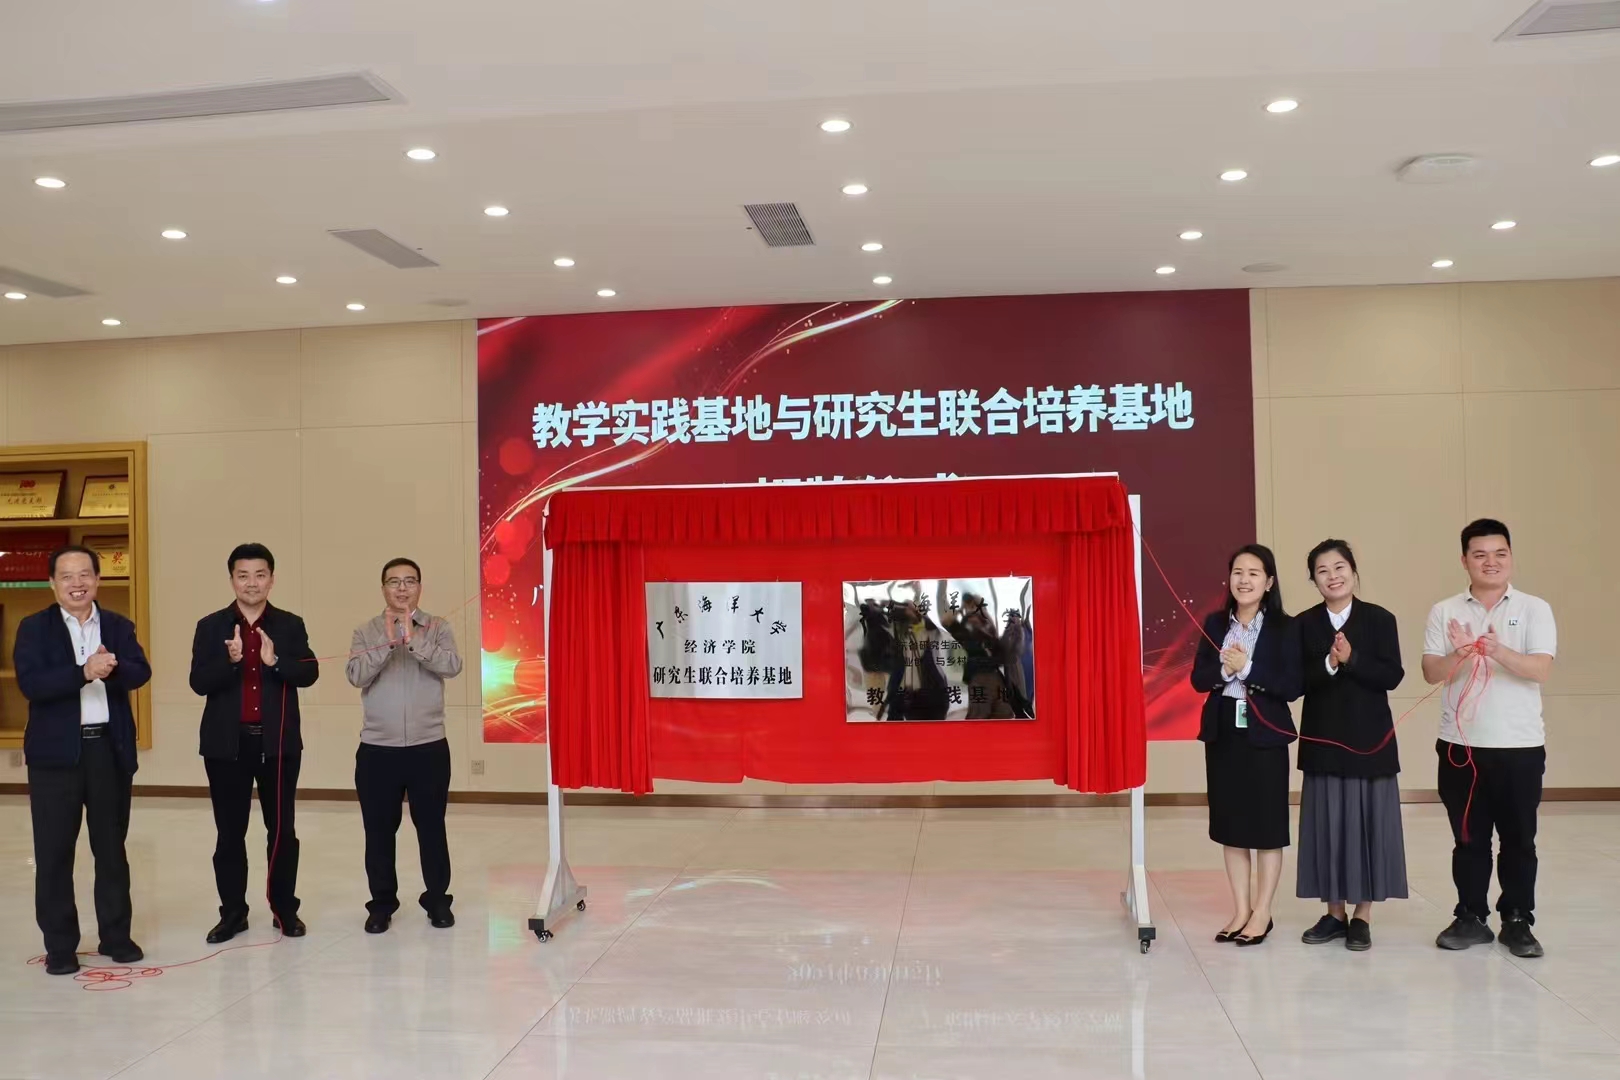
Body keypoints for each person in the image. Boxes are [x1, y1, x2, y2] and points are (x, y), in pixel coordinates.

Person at [15, 546, 152, 975]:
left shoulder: (117, 625)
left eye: (85, 574)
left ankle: (116, 936)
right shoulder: (34, 628)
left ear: (98, 579)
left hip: (107, 751)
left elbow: (141, 672)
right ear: (52, 583)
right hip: (55, 756)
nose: (77, 583)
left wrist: (113, 668)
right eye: (67, 576)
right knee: (54, 853)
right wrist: (84, 672)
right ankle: (60, 947)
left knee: (111, 850)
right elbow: (32, 684)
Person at [1423, 519, 1556, 959]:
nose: (1491, 562)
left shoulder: (1534, 608)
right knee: (1468, 839)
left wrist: (1496, 649)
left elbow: (1540, 669)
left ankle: (1517, 920)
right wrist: (1461, 652)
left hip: (1519, 746)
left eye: (1500, 553)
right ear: (1465, 561)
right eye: (1480, 555)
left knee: (1519, 839)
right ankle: (1471, 916)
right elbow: (1431, 672)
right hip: (1460, 747)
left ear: (1511, 557)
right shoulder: (1444, 611)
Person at [189, 543, 318, 943]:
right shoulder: (211, 626)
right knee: (230, 833)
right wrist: (230, 662)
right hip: (225, 747)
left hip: (278, 745)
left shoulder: (290, 625)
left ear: (271, 579)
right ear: (232, 580)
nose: (251, 583)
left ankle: (284, 910)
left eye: (260, 575)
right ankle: (233, 914)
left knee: (281, 831)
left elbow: (309, 673)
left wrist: (274, 661)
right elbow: (198, 682)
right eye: (243, 575)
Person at [1294, 539, 1408, 951]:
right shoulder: (1303, 624)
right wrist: (1328, 662)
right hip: (1323, 741)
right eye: (1322, 571)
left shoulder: (1379, 619)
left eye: (1339, 567)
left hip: (1370, 741)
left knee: (1367, 828)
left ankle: (1362, 915)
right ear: (1314, 580)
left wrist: (1352, 659)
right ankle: (1333, 913)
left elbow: (1392, 675)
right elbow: (1295, 682)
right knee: (1328, 828)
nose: (1333, 576)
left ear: (1353, 571)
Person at [1190, 544, 1300, 946]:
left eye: (1254, 573)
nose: (1244, 579)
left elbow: (1292, 685)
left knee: (1267, 827)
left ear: (1269, 582)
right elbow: (1198, 679)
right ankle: (1240, 910)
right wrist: (1224, 668)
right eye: (1238, 571)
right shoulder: (1215, 622)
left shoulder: (1285, 627)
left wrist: (1247, 668)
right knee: (1231, 825)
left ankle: (1262, 912)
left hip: (1266, 734)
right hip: (1223, 733)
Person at [346, 558, 463, 933]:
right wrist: (388, 641)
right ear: (383, 588)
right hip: (378, 750)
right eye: (394, 582)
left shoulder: (438, 627)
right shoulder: (365, 631)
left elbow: (452, 666)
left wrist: (414, 640)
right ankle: (382, 904)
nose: (401, 588)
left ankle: (437, 901)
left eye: (409, 581)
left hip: (429, 747)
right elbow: (356, 675)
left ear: (419, 587)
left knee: (431, 828)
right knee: (379, 832)